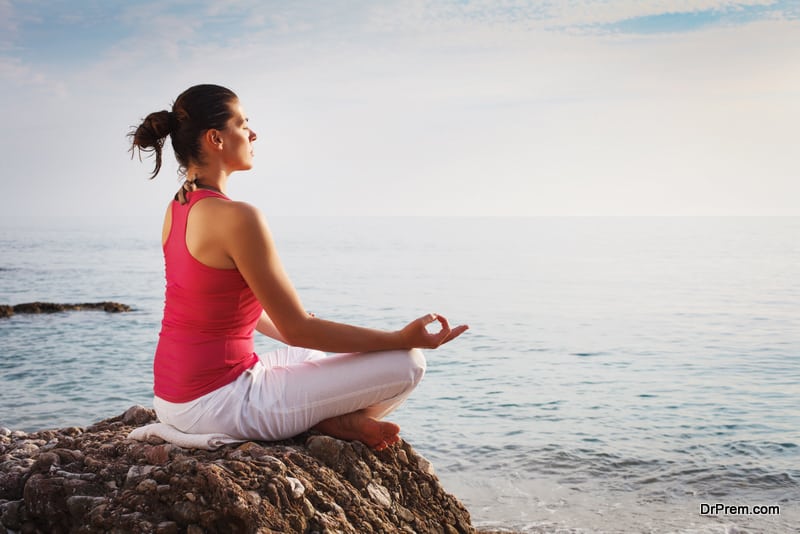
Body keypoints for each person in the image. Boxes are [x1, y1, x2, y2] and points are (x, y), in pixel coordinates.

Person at [129, 84, 468, 450]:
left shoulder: (178, 208)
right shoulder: (239, 217)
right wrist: (401, 340)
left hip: (173, 399)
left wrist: (312, 332)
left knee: (312, 357)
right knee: (408, 364)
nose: (253, 133)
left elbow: (221, 306)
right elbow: (298, 329)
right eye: (243, 124)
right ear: (216, 138)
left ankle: (330, 418)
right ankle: (332, 422)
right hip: (219, 404)